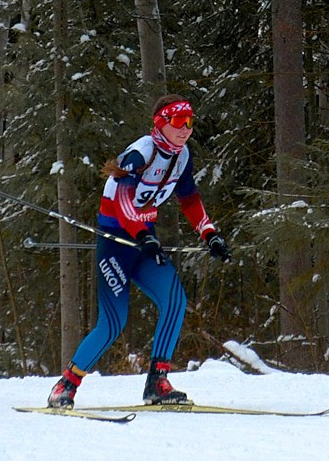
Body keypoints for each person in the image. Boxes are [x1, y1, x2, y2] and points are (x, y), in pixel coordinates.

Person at [49, 95, 230, 409]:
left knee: (175, 299)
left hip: (144, 239)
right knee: (113, 322)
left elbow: (189, 199)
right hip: (117, 242)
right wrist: (142, 234)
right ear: (161, 123)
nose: (185, 128)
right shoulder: (141, 152)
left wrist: (209, 233)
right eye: (178, 122)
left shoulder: (182, 155)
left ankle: (157, 382)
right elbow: (121, 199)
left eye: (190, 122)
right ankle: (66, 385)